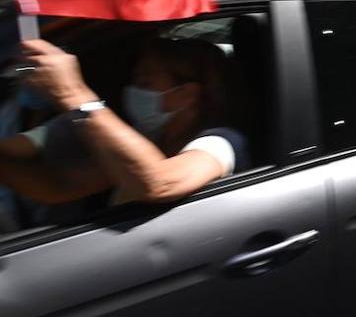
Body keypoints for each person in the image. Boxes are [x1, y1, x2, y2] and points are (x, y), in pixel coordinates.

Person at [0, 35, 247, 211]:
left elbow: (159, 183)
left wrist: (72, 94)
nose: (133, 91)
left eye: (145, 83)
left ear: (186, 94)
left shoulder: (221, 142)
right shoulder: (146, 139)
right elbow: (59, 186)